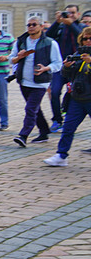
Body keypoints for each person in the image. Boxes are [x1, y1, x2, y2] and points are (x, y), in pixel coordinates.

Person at [44, 25, 91, 166]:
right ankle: (61, 155)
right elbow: (67, 76)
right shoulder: (79, 54)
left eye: (90, 38)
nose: (88, 41)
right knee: (68, 128)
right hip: (77, 98)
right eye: (85, 38)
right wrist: (66, 67)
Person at [11, 17, 61, 147]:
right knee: (35, 108)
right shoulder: (21, 41)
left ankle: (23, 135)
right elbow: (12, 59)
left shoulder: (50, 43)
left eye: (34, 24)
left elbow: (58, 63)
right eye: (29, 25)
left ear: (41, 27)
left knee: (30, 108)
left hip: (40, 82)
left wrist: (46, 68)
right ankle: (44, 131)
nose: (31, 27)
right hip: (24, 81)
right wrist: (19, 57)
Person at [45, 5, 83, 132]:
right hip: (61, 66)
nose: (70, 15)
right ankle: (57, 119)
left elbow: (81, 37)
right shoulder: (60, 27)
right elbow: (47, 37)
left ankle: (70, 117)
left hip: (78, 67)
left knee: (75, 93)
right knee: (54, 92)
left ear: (78, 14)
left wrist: (71, 24)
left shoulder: (82, 27)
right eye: (67, 13)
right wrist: (57, 22)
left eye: (72, 13)